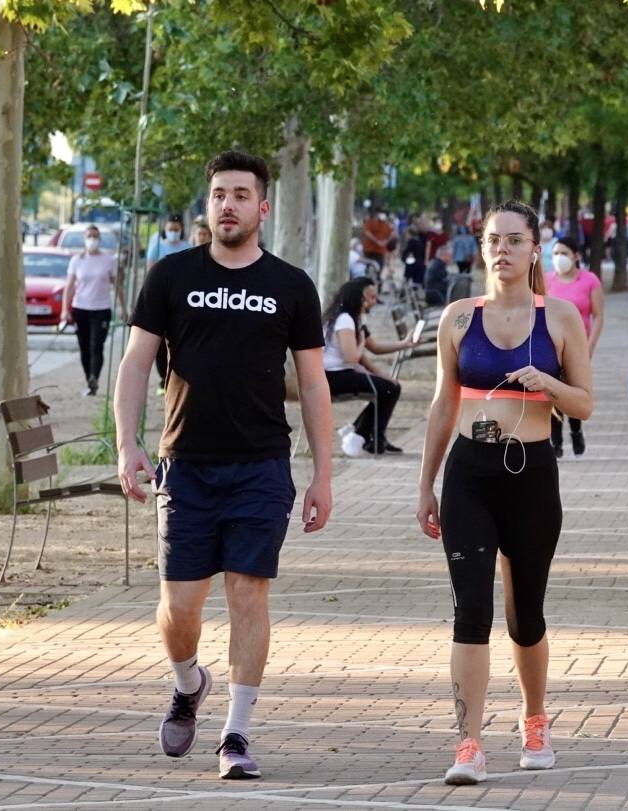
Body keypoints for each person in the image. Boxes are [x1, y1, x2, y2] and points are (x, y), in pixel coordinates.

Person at [114, 150, 332, 781]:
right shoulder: (171, 276)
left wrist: (322, 474)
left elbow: (314, 385)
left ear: (262, 208)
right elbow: (134, 364)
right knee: (179, 608)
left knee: (246, 594)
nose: (228, 204)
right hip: (184, 466)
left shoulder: (291, 285)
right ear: (207, 206)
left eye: (241, 194)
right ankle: (188, 683)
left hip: (262, 467)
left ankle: (236, 734)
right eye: (218, 195)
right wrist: (128, 444)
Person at [417, 201, 593, 785]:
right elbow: (444, 403)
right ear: (482, 246)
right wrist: (426, 485)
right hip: (469, 474)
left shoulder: (561, 317)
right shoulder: (459, 318)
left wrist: (549, 383)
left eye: (515, 240)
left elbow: (585, 403)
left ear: (535, 249)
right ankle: (468, 743)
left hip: (533, 475)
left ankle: (534, 719)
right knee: (470, 612)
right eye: (494, 240)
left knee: (526, 615)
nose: (503, 250)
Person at [322, 277, 415, 454]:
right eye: (370, 298)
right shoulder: (344, 320)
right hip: (332, 377)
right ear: (358, 299)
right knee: (388, 390)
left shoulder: (353, 319)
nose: (372, 302)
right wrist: (362, 342)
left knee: (390, 387)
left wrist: (404, 344)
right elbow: (352, 357)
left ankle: (366, 433)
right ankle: (367, 436)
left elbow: (376, 348)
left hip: (343, 373)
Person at [546, 236, 604, 458]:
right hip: (552, 347)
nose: (560, 258)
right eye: (556, 254)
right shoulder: (547, 280)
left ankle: (576, 430)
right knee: (553, 391)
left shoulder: (589, 280)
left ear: (576, 256)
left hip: (579, 347)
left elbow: (598, 316)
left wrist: (590, 345)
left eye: (564, 254)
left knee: (574, 390)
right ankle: (556, 442)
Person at [64, 225, 125, 396]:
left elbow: (117, 285)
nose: (92, 239)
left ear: (99, 239)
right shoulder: (77, 260)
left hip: (101, 309)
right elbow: (69, 286)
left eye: (95, 236)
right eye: (89, 235)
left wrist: (122, 307)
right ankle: (89, 379)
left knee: (96, 345)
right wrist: (65, 310)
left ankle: (94, 377)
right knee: (84, 347)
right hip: (80, 308)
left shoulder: (108, 260)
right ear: (84, 238)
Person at [148, 215, 191, 393]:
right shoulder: (157, 247)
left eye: (176, 229)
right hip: (162, 300)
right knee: (159, 342)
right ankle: (163, 377)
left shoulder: (187, 248)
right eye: (170, 229)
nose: (173, 232)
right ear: (165, 229)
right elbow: (151, 271)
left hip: (181, 300)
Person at [402, 218, 428, 286]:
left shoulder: (413, 241)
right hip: (419, 262)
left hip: (417, 262)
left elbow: (406, 252)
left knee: (411, 279)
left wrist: (404, 259)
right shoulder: (418, 240)